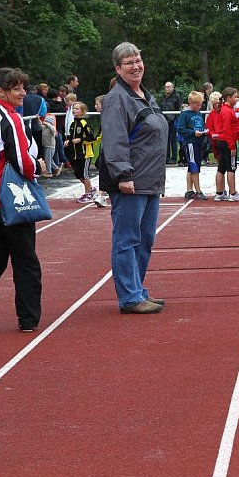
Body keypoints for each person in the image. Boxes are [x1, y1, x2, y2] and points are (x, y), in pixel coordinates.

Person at [99, 42, 168, 314]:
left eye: (137, 59)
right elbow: (115, 140)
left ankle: (137, 290)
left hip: (150, 182)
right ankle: (129, 296)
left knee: (145, 239)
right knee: (127, 239)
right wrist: (123, 175)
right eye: (128, 62)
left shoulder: (144, 95)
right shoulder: (118, 98)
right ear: (118, 68)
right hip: (131, 182)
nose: (135, 65)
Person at [0, 67, 43, 333]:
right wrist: (36, 167)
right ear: (1, 91)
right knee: (25, 261)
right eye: (17, 88)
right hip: (8, 200)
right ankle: (28, 318)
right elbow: (23, 161)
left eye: (24, 87)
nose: (23, 93)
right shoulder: (8, 117)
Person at [176, 91, 209, 200]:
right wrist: (192, 133)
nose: (199, 106)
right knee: (194, 165)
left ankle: (189, 190)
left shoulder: (198, 113)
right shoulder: (185, 114)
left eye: (200, 104)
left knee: (192, 166)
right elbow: (180, 129)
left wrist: (204, 131)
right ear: (191, 103)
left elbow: (200, 125)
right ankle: (198, 190)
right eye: (197, 104)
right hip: (190, 142)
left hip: (198, 141)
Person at [209, 87, 239, 201]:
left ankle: (219, 193)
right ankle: (233, 193)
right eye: (235, 96)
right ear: (229, 97)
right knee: (231, 168)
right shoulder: (227, 111)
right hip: (227, 141)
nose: (237, 99)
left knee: (221, 167)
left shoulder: (225, 109)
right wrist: (232, 146)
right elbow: (228, 130)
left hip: (222, 141)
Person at [65, 101, 98, 203]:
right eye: (73, 108)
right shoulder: (73, 123)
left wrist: (81, 140)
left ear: (82, 111)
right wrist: (68, 141)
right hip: (75, 153)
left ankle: (88, 194)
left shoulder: (84, 123)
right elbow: (71, 136)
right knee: (78, 174)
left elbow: (92, 137)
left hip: (85, 153)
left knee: (84, 174)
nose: (74, 110)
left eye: (77, 108)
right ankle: (91, 189)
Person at [159, 81, 184, 165]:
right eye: (165, 87)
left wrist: (176, 120)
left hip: (173, 120)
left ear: (172, 88)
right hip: (164, 121)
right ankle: (166, 157)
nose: (166, 88)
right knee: (166, 139)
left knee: (173, 140)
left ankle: (173, 158)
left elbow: (179, 109)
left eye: (168, 87)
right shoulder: (163, 97)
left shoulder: (176, 97)